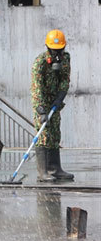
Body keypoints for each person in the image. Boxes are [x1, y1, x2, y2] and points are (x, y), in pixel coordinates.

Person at [31, 29, 73, 182]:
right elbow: (37, 89)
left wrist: (60, 96)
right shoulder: (40, 63)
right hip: (41, 102)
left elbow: (65, 79)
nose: (57, 54)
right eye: (54, 51)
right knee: (44, 135)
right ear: (48, 48)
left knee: (55, 133)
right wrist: (42, 110)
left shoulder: (65, 59)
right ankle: (43, 172)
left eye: (59, 50)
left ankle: (55, 169)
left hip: (55, 101)